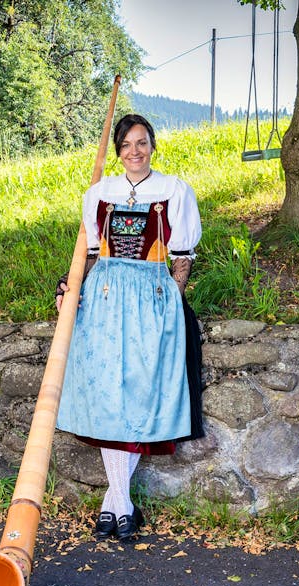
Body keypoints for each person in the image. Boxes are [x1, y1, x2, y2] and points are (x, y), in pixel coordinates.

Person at [55, 114, 204, 543]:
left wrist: (172, 298)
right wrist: (68, 287)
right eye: (126, 145)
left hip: (151, 298)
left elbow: (182, 256)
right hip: (103, 300)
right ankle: (122, 506)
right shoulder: (99, 194)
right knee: (109, 400)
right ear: (118, 151)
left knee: (139, 397)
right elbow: (89, 253)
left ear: (152, 145)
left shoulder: (174, 190)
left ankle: (115, 503)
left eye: (141, 143)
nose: (134, 151)